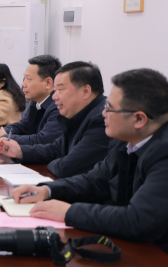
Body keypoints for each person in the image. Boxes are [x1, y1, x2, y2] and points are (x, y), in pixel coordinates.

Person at [11, 69, 168, 253]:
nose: (103, 113)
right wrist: (47, 190)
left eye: (110, 108)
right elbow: (94, 181)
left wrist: (69, 212)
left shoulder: (163, 153)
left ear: (139, 119)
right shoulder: (123, 140)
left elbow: (136, 220)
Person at [0, 61, 109, 178]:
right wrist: (20, 152)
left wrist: (56, 161)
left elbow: (65, 167)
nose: (54, 96)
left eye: (60, 89)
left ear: (85, 91)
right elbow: (54, 149)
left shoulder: (102, 120)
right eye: (55, 90)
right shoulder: (80, 114)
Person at [0, 55, 63, 145]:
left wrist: (4, 137)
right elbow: (23, 125)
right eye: (24, 78)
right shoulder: (36, 101)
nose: (23, 84)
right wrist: (1, 131)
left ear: (48, 83)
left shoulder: (58, 107)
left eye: (28, 79)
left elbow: (42, 140)